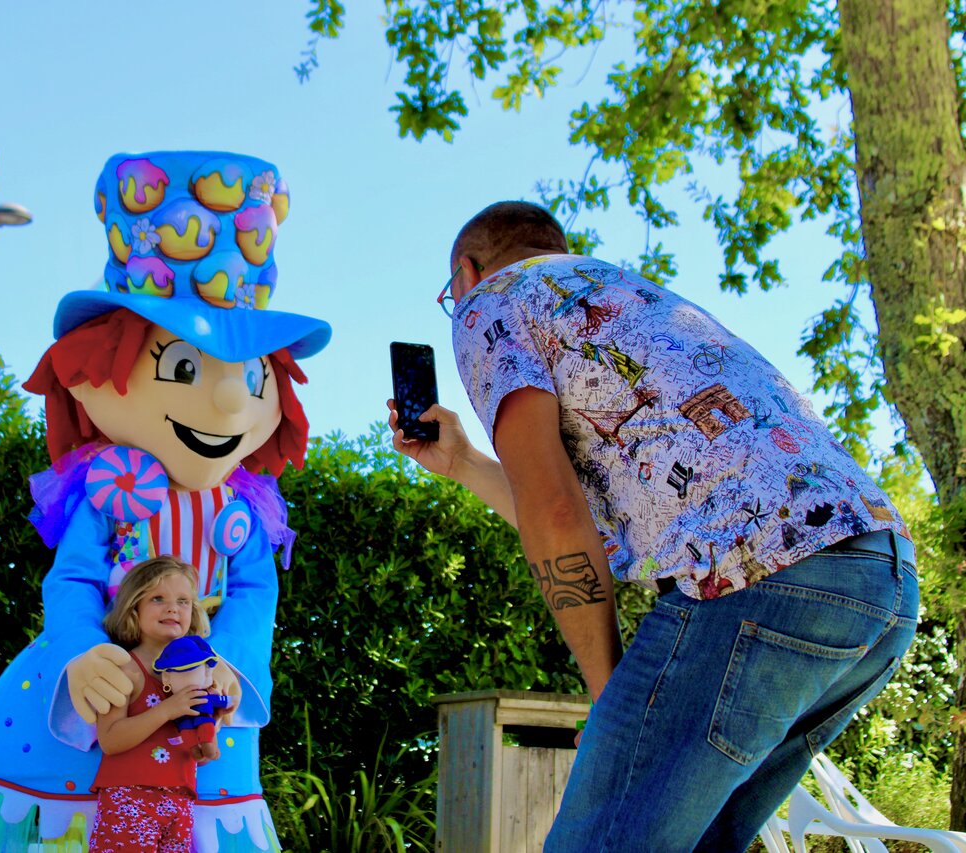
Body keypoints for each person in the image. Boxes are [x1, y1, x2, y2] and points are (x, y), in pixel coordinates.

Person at [391, 201, 919, 852]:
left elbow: (554, 515)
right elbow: (578, 518)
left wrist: (612, 701)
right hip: (880, 578)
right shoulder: (618, 296)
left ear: (466, 274)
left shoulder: (492, 302)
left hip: (765, 573)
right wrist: (467, 462)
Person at [0, 151, 330, 853]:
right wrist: (84, 650)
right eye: (182, 366)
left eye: (251, 372)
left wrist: (230, 662)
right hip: (96, 700)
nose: (231, 398)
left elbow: (253, 593)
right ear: (91, 375)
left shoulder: (242, 511)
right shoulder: (114, 491)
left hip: (202, 701)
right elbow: (75, 577)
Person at [89, 556, 235, 853]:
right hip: (129, 798)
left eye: (183, 601)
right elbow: (110, 739)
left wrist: (213, 721)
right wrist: (168, 709)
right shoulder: (124, 667)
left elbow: (199, 754)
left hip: (180, 799)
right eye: (158, 598)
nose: (173, 608)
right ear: (134, 608)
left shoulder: (197, 678)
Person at [153, 635, 233, 763]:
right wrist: (229, 701)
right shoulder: (170, 698)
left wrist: (217, 716)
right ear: (166, 677)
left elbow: (202, 762)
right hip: (192, 722)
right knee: (197, 731)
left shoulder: (206, 692)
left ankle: (206, 748)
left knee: (199, 731)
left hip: (193, 723)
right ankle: (205, 748)